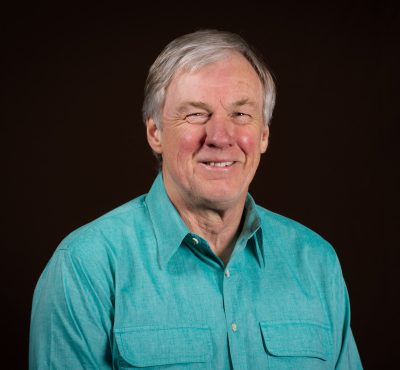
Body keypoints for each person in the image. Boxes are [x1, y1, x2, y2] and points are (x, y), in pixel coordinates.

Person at [29, 29, 363, 369]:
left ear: (263, 135)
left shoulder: (316, 262)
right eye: (196, 114)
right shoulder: (86, 268)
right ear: (155, 133)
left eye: (241, 114)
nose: (220, 137)